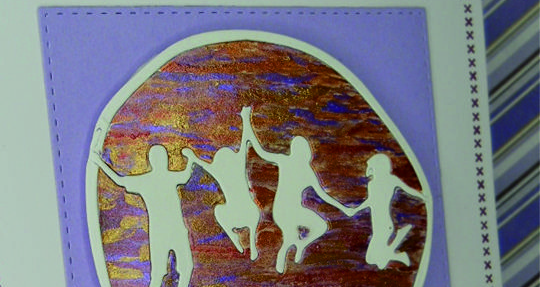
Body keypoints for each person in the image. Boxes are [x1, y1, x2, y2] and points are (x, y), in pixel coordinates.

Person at [92, 144, 193, 287]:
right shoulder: (146, 180)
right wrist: (99, 162)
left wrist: (190, 159)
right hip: (160, 235)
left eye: (164, 157)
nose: (162, 160)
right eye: (159, 157)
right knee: (157, 276)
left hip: (178, 232)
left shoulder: (170, 177)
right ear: (153, 161)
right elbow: (119, 181)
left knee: (186, 268)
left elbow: (186, 175)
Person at [242, 106, 354, 273]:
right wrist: (247, 122)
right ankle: (299, 246)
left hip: (285, 212)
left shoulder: (292, 164)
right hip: (286, 212)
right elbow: (323, 195)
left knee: (314, 228)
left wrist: (247, 124)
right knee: (315, 228)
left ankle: (297, 247)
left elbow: (260, 151)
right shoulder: (295, 166)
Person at [182, 108, 260, 260]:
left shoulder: (219, 170)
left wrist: (191, 156)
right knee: (253, 213)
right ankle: (250, 242)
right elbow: (245, 140)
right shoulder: (237, 164)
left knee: (219, 210)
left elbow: (201, 163)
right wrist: (245, 118)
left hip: (233, 214)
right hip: (248, 212)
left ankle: (240, 241)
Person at [352, 153, 425, 269]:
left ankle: (401, 251)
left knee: (371, 259)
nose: (368, 170)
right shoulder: (371, 184)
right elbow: (371, 201)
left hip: (384, 225)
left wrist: (423, 197)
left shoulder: (391, 180)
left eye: (370, 167)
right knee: (380, 263)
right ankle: (400, 252)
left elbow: (408, 190)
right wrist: (355, 210)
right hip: (377, 225)